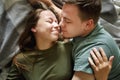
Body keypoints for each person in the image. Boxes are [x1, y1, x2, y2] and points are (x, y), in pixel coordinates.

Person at [6, 1, 114, 80]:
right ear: (33, 27)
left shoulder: (71, 48)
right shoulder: (20, 60)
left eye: (64, 20)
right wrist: (50, 4)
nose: (58, 25)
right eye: (50, 21)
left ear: (88, 24)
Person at [40, 0, 120, 80]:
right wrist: (49, 4)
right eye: (62, 18)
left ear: (88, 24)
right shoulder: (87, 26)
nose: (60, 24)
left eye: (67, 21)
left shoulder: (92, 54)